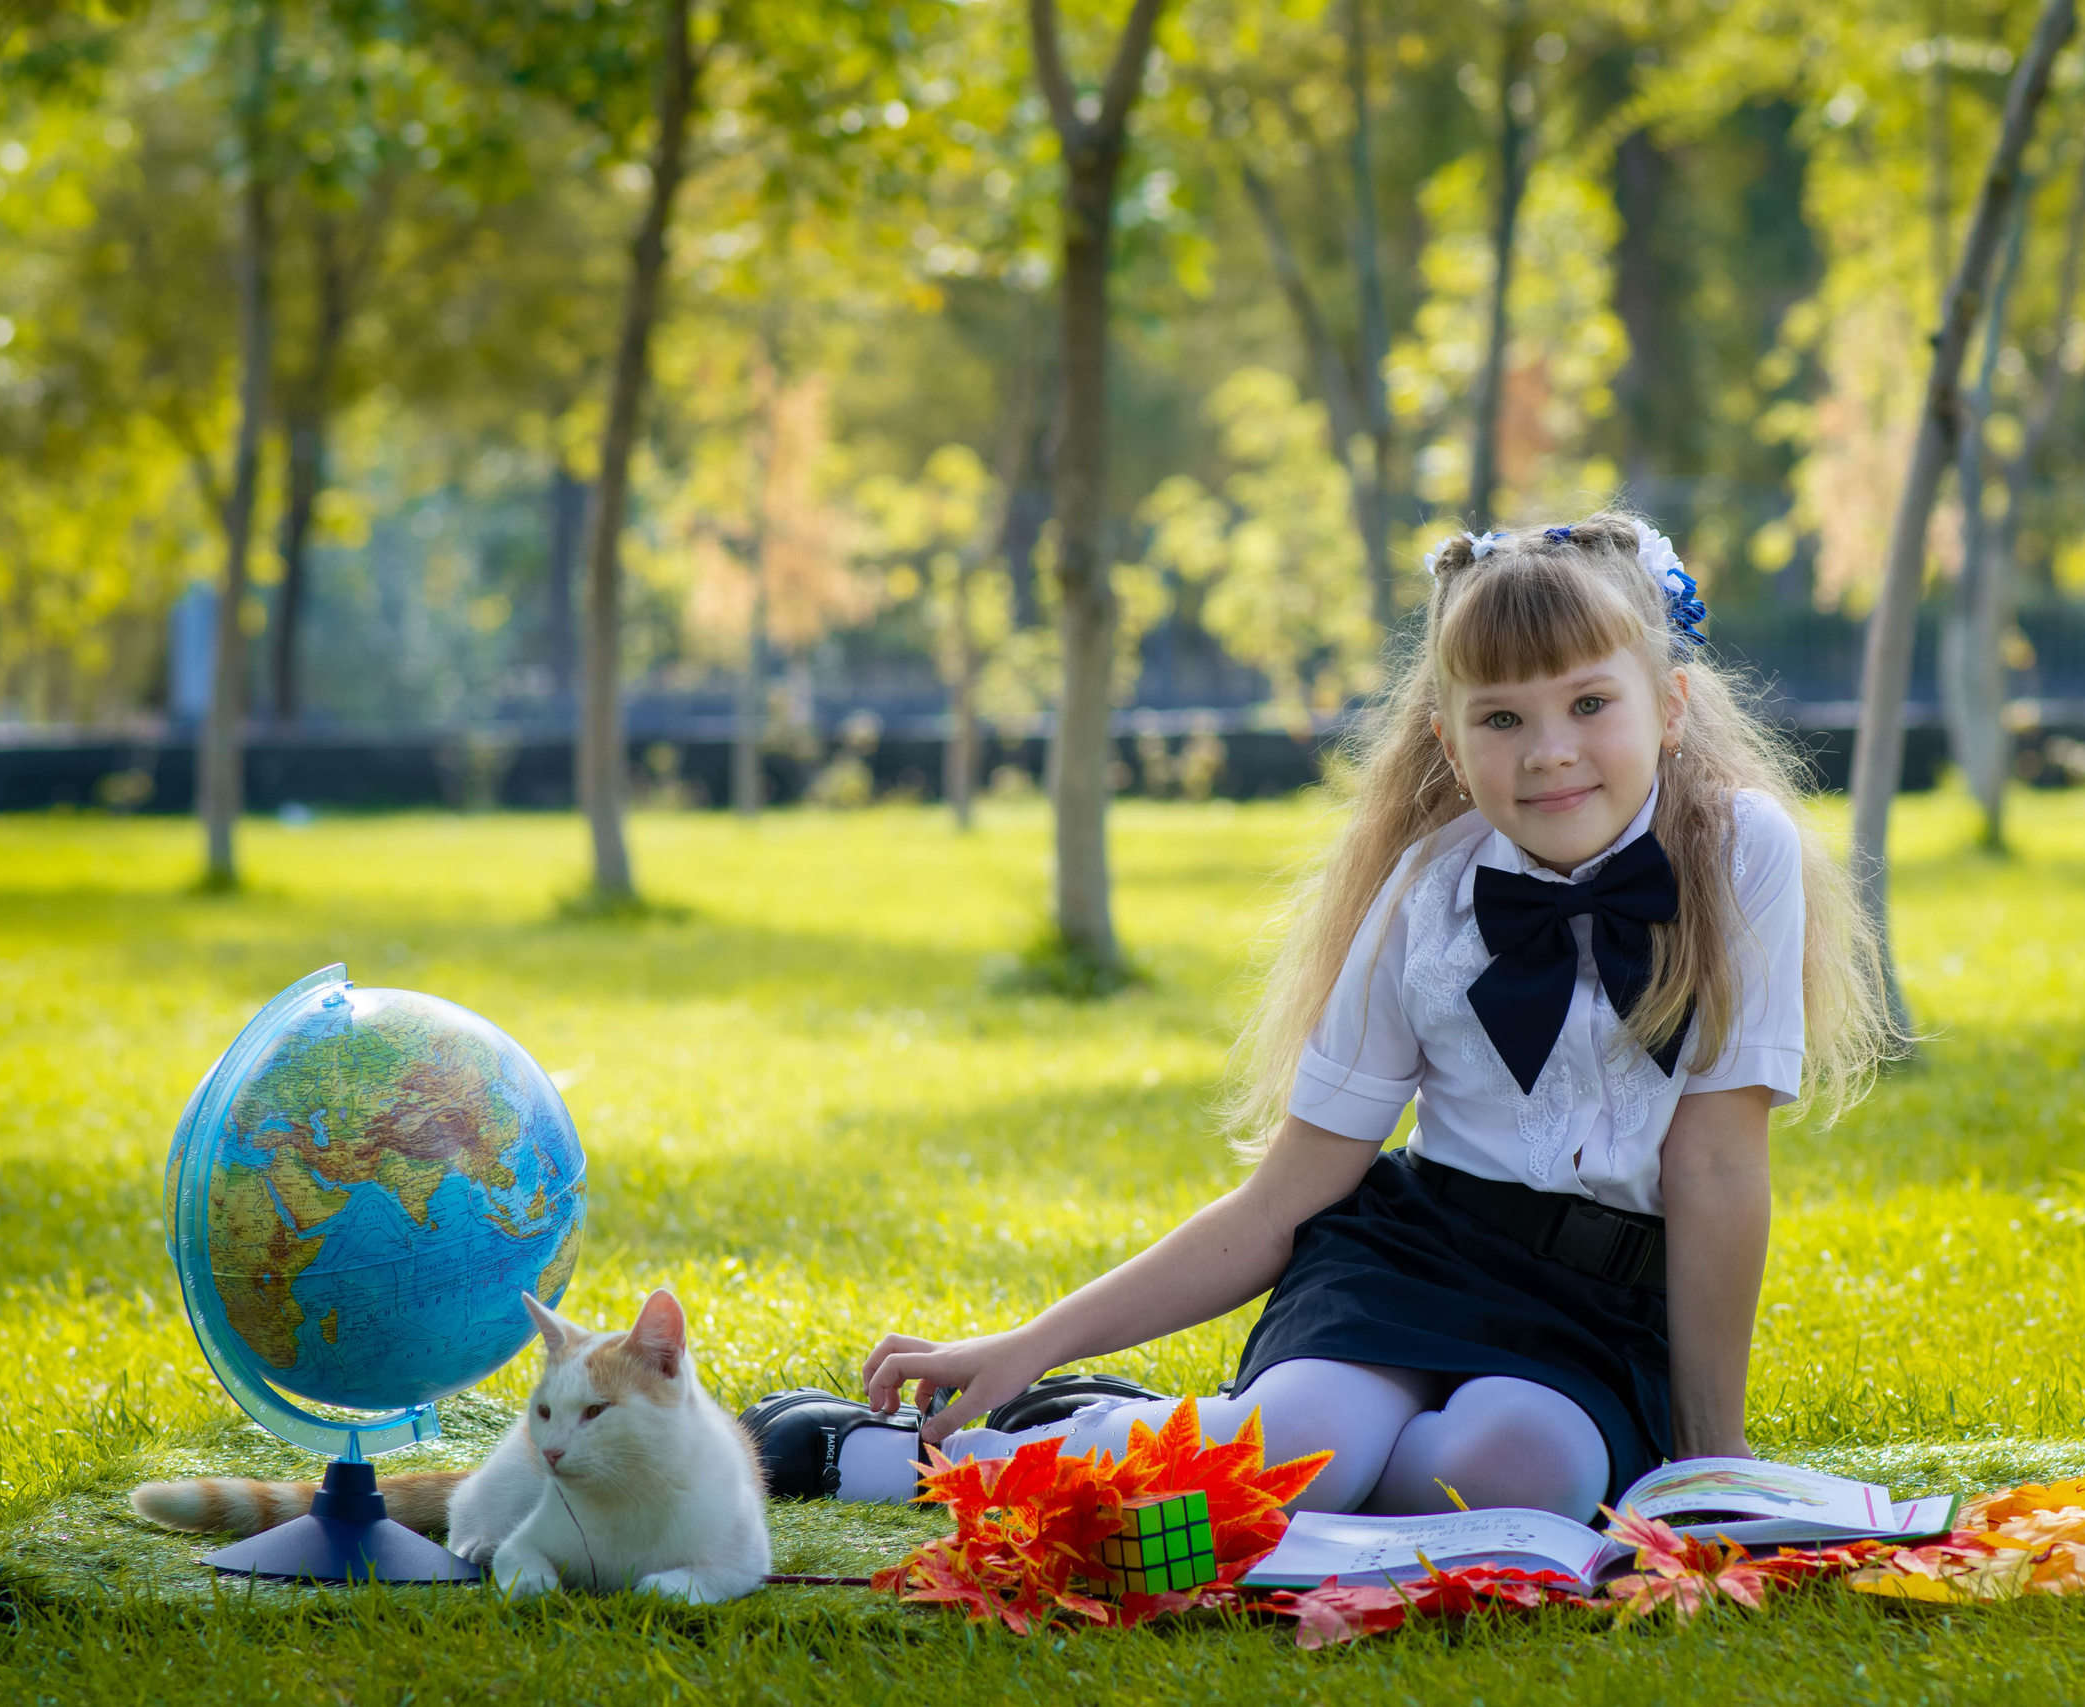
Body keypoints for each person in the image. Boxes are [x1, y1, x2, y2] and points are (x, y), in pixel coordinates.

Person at [738, 514, 1890, 1520]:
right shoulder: (1430, 893)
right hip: (1410, 1258)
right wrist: (1033, 1338)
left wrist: (1713, 1453)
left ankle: (1146, 1432)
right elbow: (1290, 1192)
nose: (1548, 752)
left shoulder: (1739, 851)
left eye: (1590, 703)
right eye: (1499, 719)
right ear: (1447, 738)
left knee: (1517, 1466)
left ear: (1670, 705)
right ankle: (950, 1456)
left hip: (1598, 1309)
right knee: (1297, 1452)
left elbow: (1718, 1167)